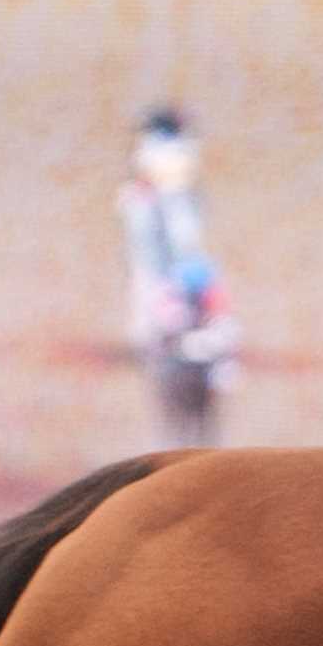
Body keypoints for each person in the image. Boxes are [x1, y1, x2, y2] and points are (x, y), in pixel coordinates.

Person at [118, 106, 210, 351]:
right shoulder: (178, 150)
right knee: (162, 269)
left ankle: (163, 329)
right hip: (162, 214)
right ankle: (167, 329)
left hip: (162, 213)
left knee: (157, 271)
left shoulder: (161, 150)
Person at [149, 254, 242, 448]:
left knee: (202, 431)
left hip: (200, 378)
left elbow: (225, 337)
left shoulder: (213, 304)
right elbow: (166, 335)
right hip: (177, 377)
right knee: (179, 432)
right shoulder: (171, 302)